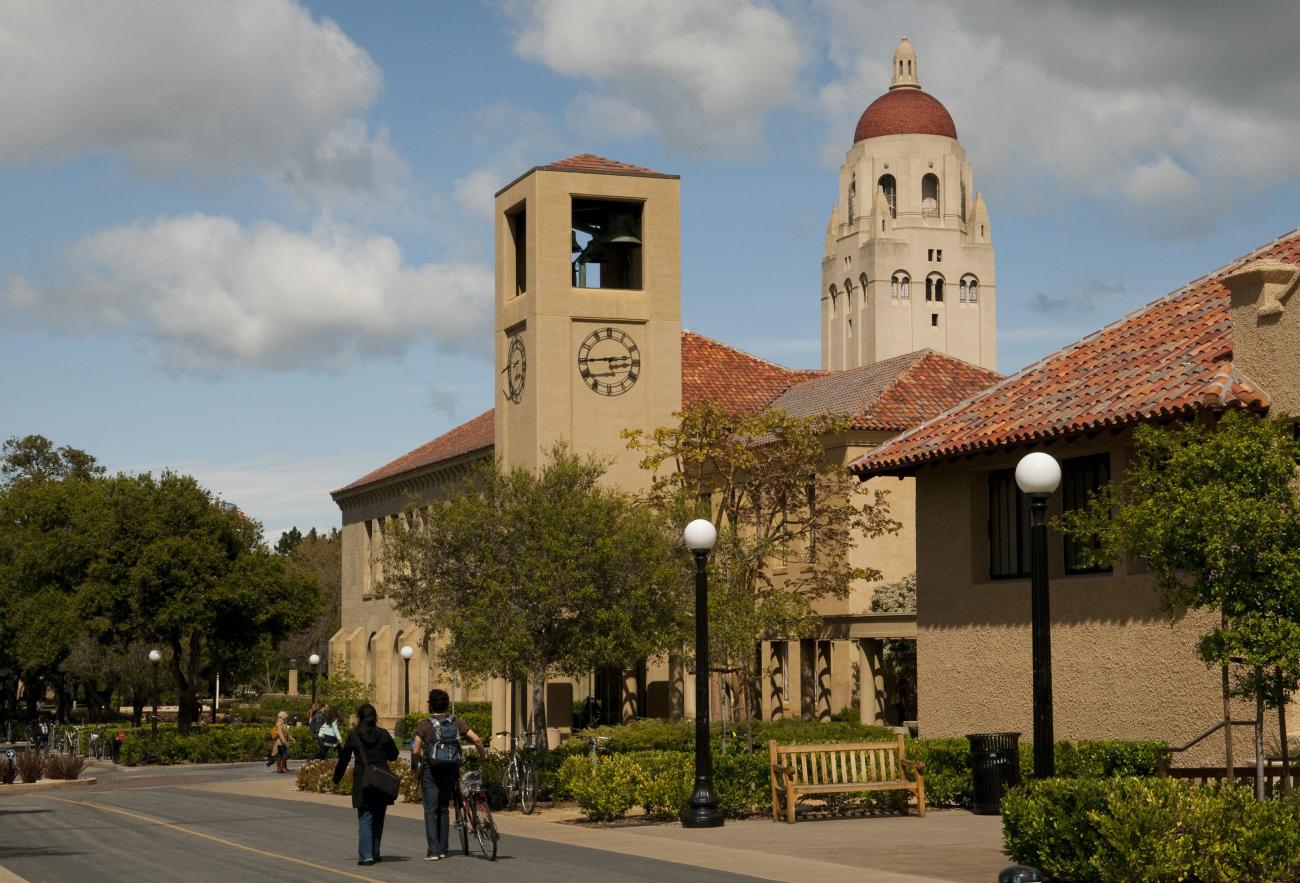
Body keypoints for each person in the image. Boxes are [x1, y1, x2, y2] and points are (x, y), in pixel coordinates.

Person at [412, 688, 485, 861]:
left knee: (430, 810)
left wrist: (425, 759)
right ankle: (444, 849)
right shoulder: (456, 722)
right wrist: (482, 755)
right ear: (446, 704)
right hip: (450, 770)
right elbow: (476, 739)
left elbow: (415, 750)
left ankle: (433, 850)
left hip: (431, 771)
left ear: (430, 706)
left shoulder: (424, 725)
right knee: (443, 808)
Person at [333, 703, 399, 867]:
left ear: (360, 718)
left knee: (365, 818)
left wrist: (336, 778)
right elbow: (393, 755)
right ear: (375, 718)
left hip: (363, 780)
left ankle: (366, 855)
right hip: (381, 779)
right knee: (378, 817)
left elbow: (344, 759)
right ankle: (375, 852)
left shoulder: (354, 736)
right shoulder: (383, 734)